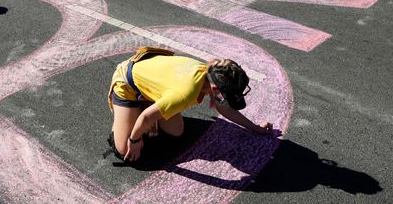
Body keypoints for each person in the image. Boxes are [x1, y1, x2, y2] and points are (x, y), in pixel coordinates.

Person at [107, 47, 274, 162]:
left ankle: (149, 100)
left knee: (176, 131)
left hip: (150, 77)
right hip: (127, 84)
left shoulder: (210, 72)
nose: (228, 100)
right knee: (124, 150)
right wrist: (135, 141)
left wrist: (256, 128)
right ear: (215, 88)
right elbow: (146, 117)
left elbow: (225, 108)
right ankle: (134, 109)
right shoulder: (185, 94)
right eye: (228, 96)